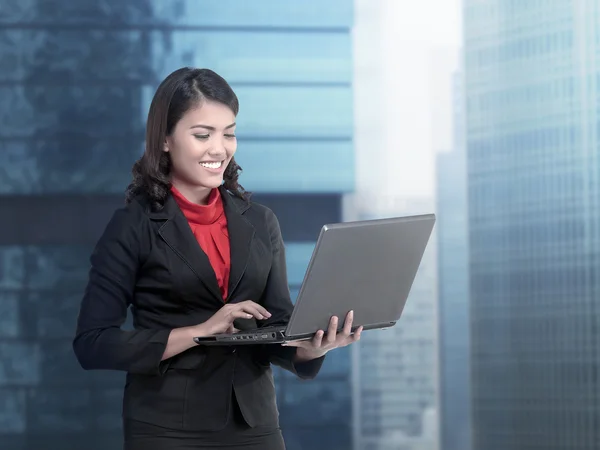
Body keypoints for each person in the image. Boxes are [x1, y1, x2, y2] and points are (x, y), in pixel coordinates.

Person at [73, 67, 362, 450]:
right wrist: (200, 333)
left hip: (255, 426)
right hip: (167, 429)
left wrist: (312, 347)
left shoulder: (260, 222)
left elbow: (273, 326)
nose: (219, 148)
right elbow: (93, 343)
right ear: (164, 139)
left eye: (229, 133)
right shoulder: (134, 225)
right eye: (202, 134)